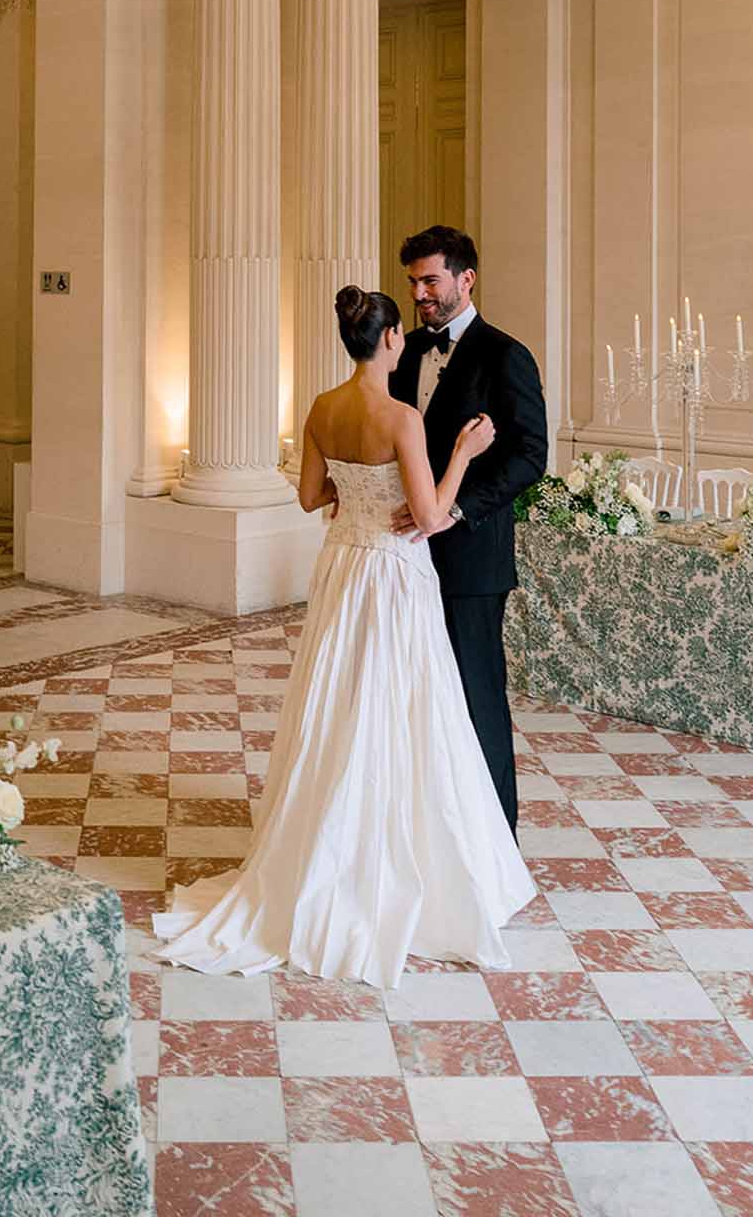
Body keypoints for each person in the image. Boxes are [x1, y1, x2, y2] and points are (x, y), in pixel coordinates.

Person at [153, 284, 534, 987]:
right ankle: (395, 853)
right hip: (394, 576)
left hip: (342, 570)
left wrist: (355, 495)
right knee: (403, 705)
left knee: (339, 699)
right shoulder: (401, 418)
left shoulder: (322, 408)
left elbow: (307, 496)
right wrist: (462, 451)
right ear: (390, 339)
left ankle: (328, 842)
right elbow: (427, 514)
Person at [390, 225, 548, 836]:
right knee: (415, 696)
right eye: (414, 282)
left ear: (466, 278)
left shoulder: (505, 354)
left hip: (472, 556)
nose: (420, 293)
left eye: (430, 280)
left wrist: (454, 509)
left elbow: (530, 454)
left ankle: (493, 843)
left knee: (476, 696)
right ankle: (429, 834)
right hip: (404, 554)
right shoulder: (402, 355)